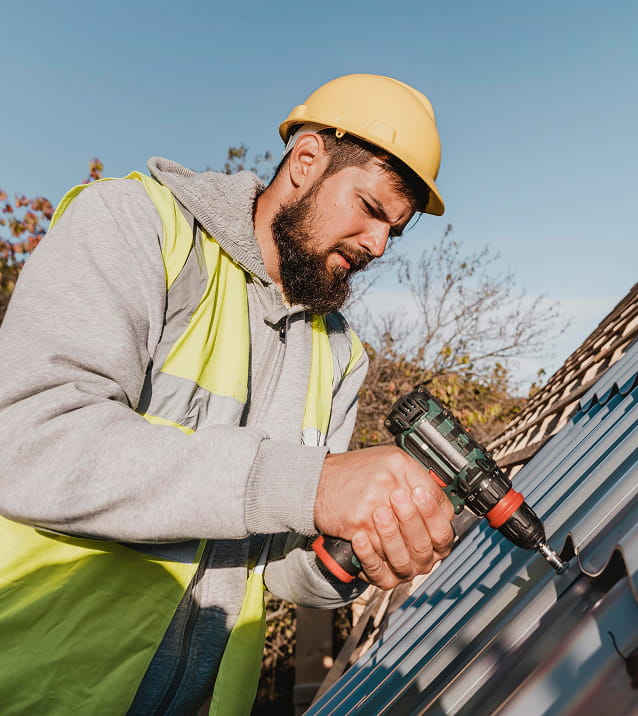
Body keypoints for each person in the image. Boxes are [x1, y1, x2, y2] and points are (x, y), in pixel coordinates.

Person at [0, 73, 454, 714]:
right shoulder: (139, 229)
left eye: (394, 231)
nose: (378, 246)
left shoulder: (339, 352)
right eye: (371, 209)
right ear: (305, 162)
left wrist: (355, 551)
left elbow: (275, 569)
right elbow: (27, 442)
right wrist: (313, 484)